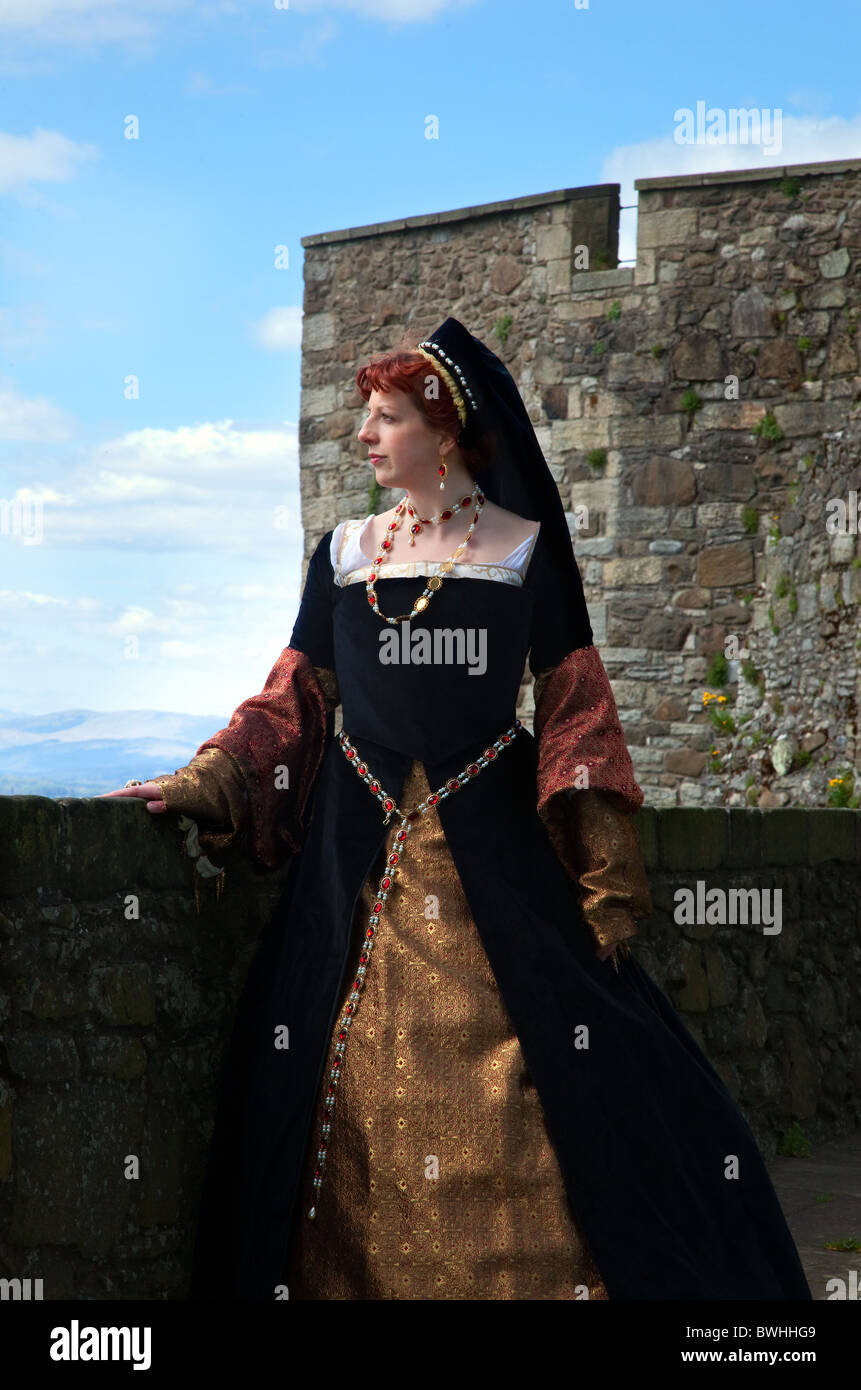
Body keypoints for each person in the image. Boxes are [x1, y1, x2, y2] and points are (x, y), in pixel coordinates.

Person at [100, 316, 812, 1302]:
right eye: (364, 418)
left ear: (440, 433)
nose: (364, 437)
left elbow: (575, 708)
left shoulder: (522, 553)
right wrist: (199, 781)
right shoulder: (342, 554)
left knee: (548, 1092)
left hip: (496, 859)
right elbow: (290, 702)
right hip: (347, 869)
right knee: (330, 1096)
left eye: (385, 418)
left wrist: (601, 868)